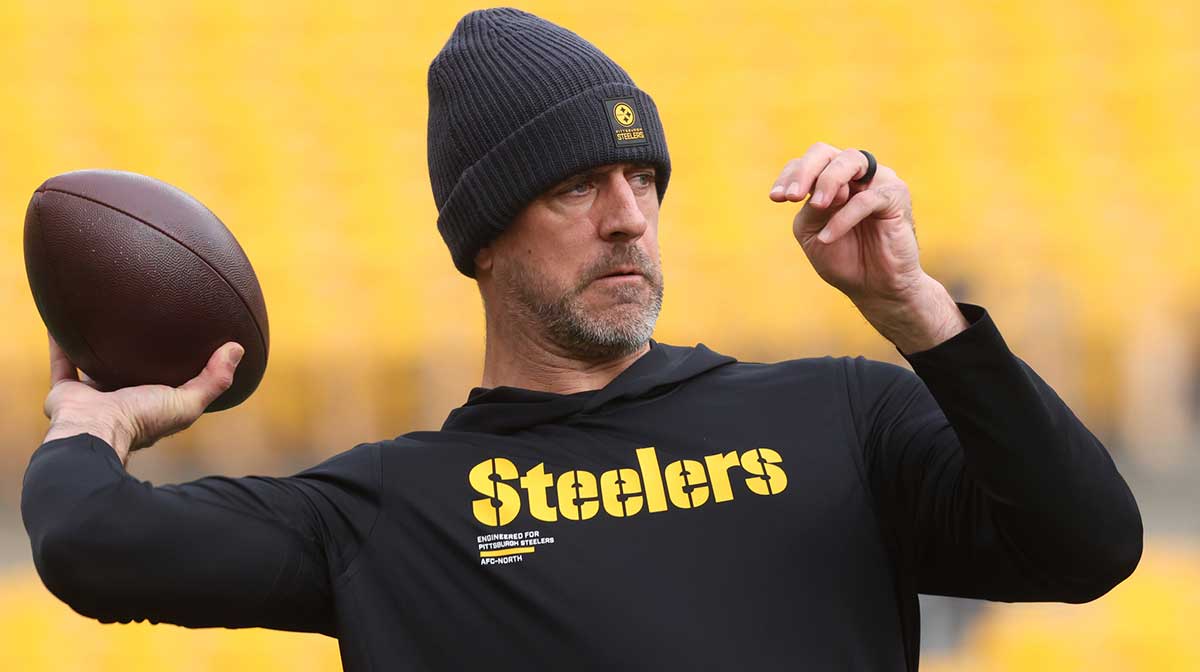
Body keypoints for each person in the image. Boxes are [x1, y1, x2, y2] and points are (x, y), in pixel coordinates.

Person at [22, 7, 1141, 671]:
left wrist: (919, 315)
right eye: (574, 187)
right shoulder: (391, 514)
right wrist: (95, 422)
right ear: (483, 239)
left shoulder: (842, 417)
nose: (627, 217)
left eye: (642, 178)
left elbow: (1090, 545)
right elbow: (88, 545)